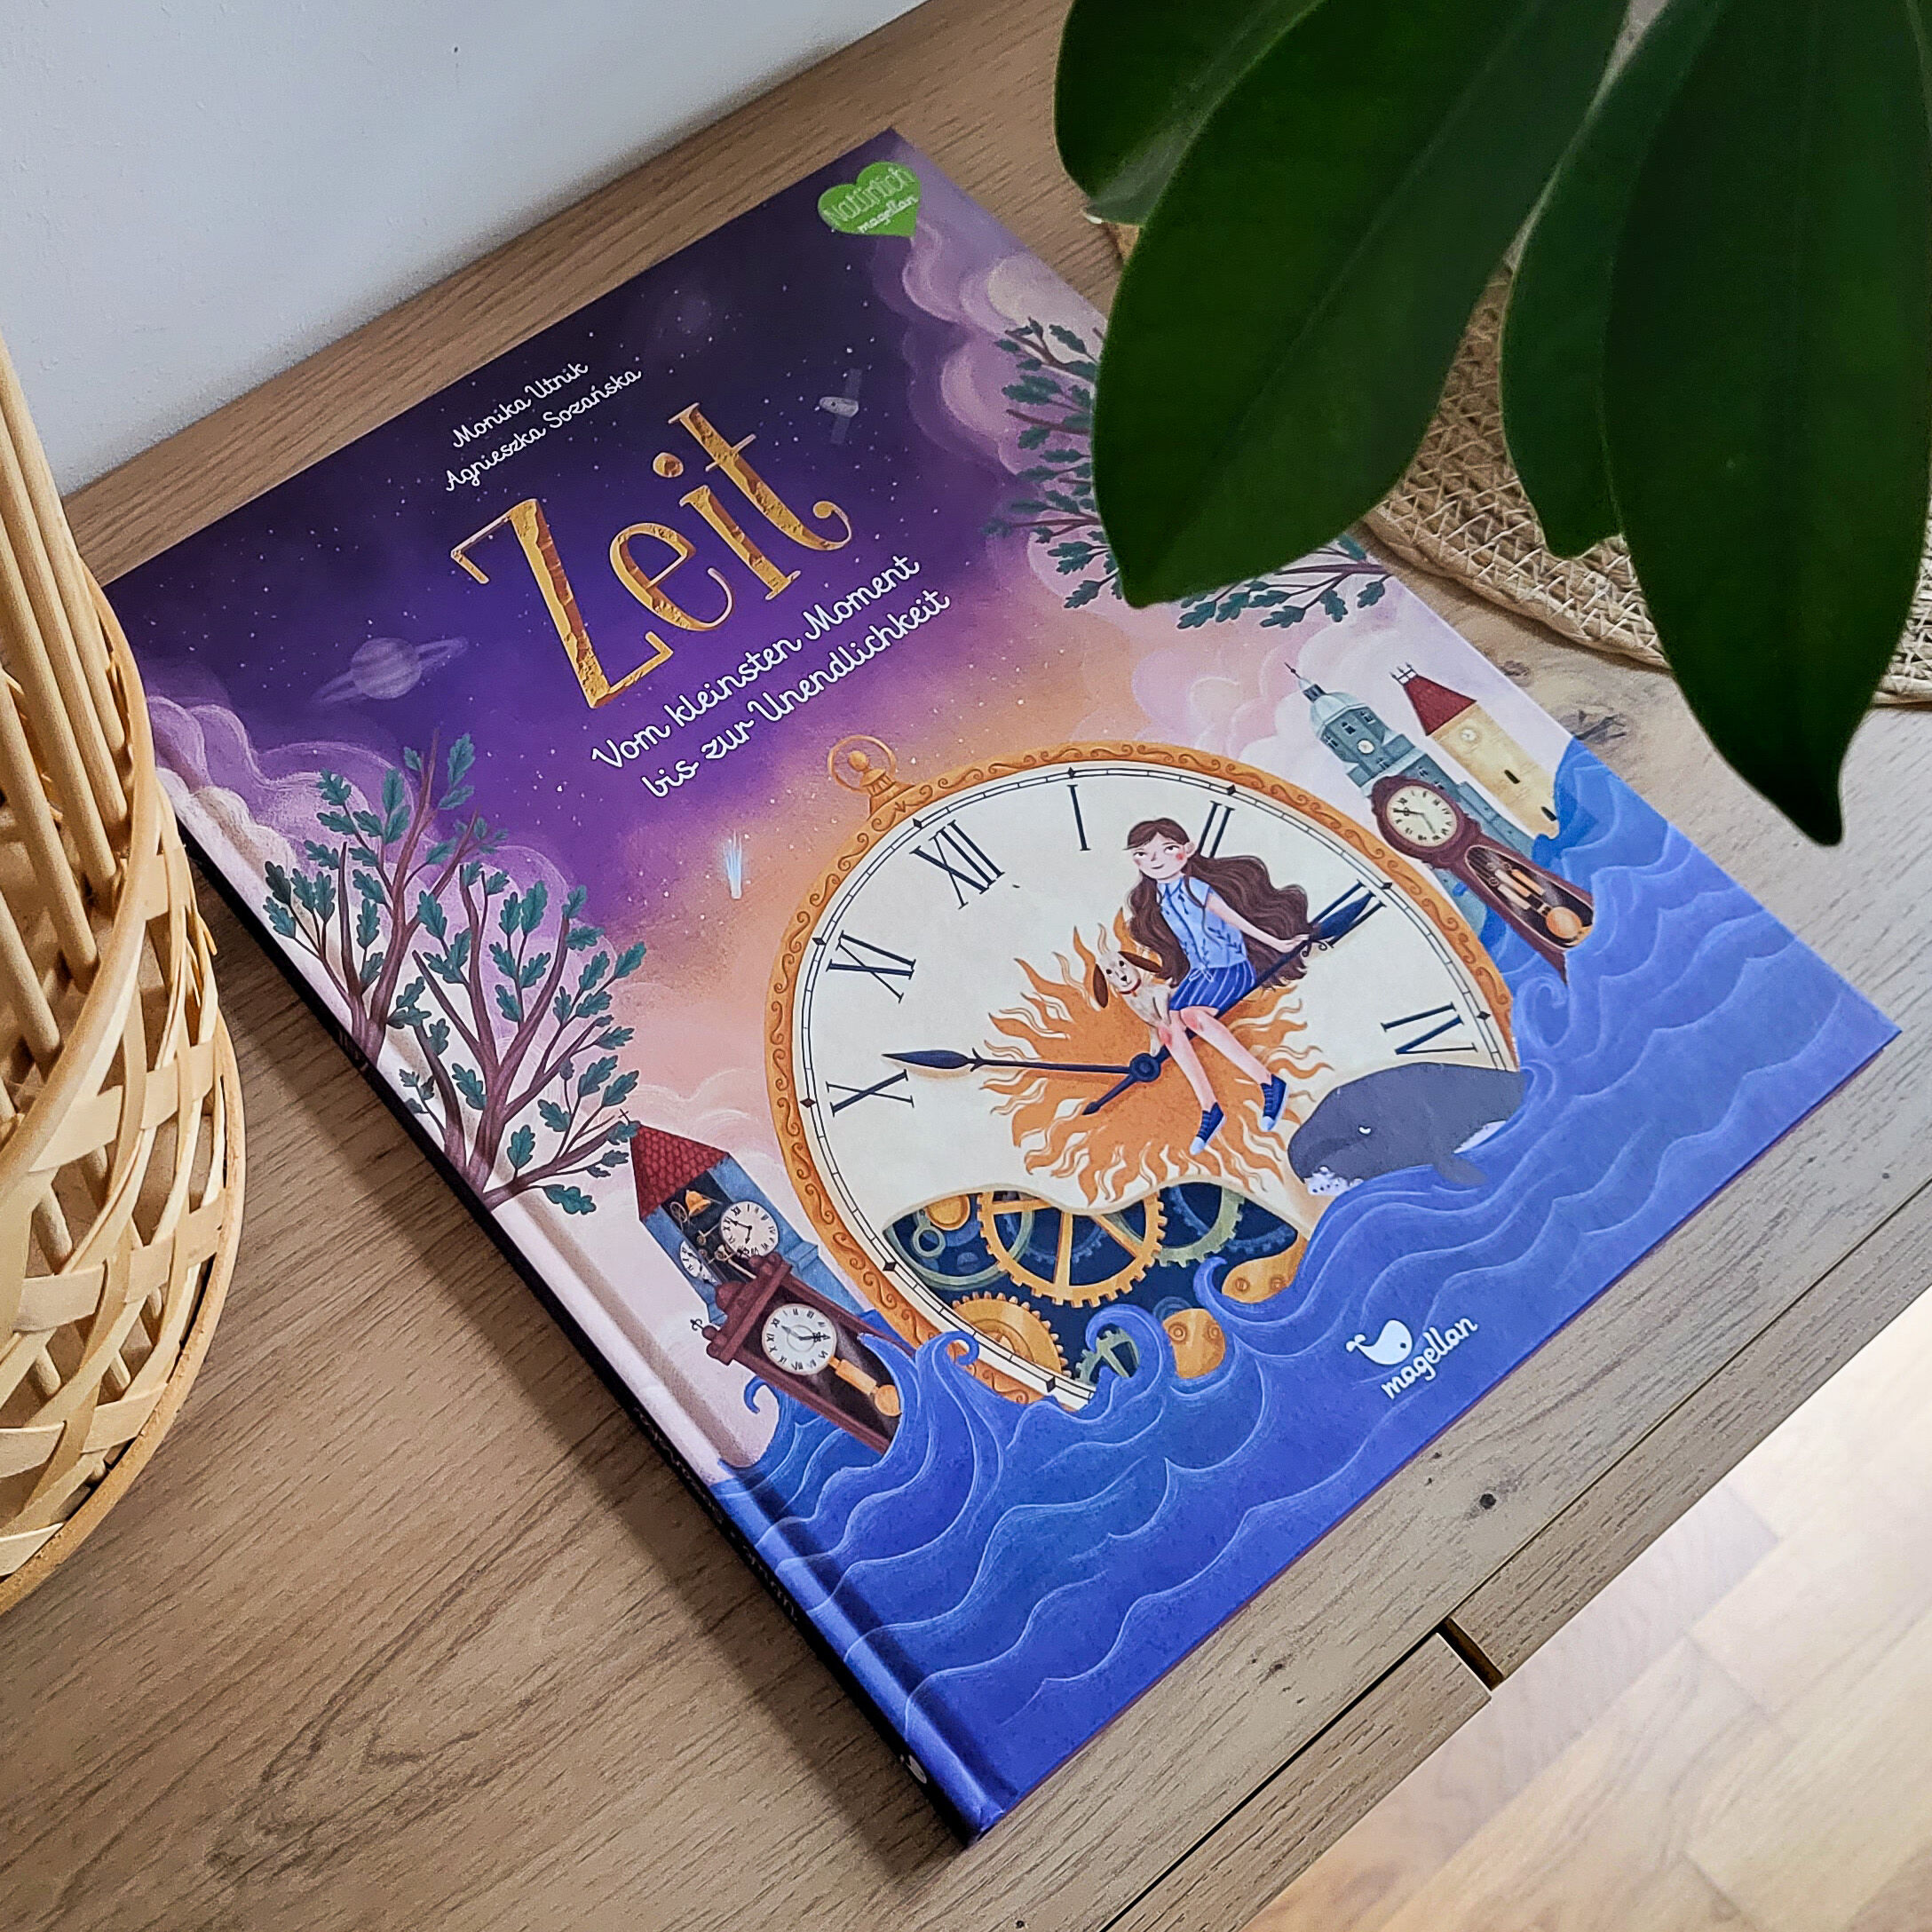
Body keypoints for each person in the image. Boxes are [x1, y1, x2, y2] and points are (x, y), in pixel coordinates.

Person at [1124, 817, 1313, 1152]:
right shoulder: (1161, 899)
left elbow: (1237, 922)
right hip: (1200, 974)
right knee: (1167, 1029)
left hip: (1230, 969)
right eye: (1143, 854)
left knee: (1194, 1017)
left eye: (1167, 849)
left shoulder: (1196, 889)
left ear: (1187, 850)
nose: (1155, 860)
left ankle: (1268, 1082)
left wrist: (1278, 944)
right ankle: (1209, 1107)